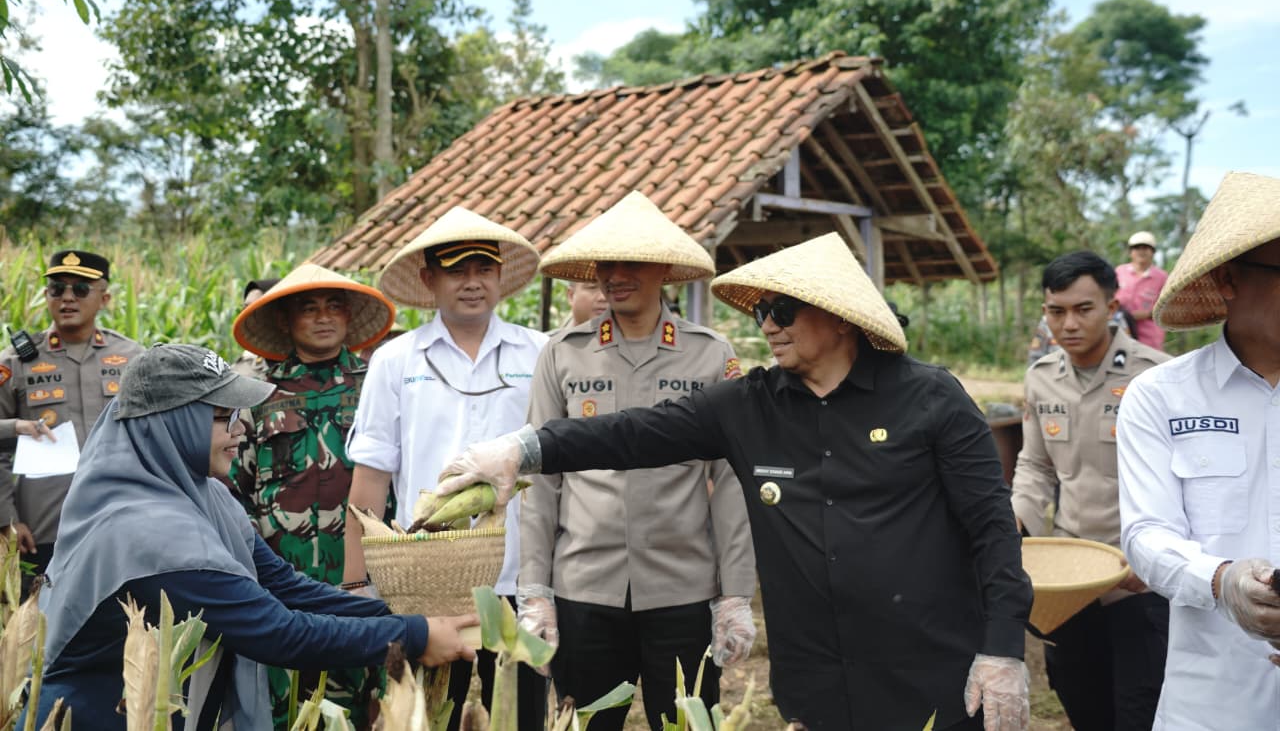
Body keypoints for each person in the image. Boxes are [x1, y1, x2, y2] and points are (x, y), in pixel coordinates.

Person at [437, 232, 1033, 731]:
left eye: (782, 310)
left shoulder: (931, 400)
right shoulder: (750, 405)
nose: (766, 324)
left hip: (928, 673)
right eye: (760, 311)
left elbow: (992, 531)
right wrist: (523, 448)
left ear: (841, 316)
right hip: (819, 683)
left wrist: (1003, 649)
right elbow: (631, 433)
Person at [25, 343, 476, 729]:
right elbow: (279, 632)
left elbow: (284, 587)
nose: (243, 429)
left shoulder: (203, 497)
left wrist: (401, 611)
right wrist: (411, 636)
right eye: (226, 417)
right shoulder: (145, 530)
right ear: (173, 423)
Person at [520, 191, 757, 729]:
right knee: (585, 724)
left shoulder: (709, 354)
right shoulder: (564, 352)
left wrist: (736, 592)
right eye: (607, 264)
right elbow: (539, 479)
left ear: (664, 269)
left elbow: (732, 481)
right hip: (584, 584)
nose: (615, 275)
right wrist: (536, 588)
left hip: (683, 587)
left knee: (688, 723)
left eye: (633, 262)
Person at [343, 207, 548, 730]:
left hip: (522, 577)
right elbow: (371, 478)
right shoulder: (396, 360)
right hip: (424, 581)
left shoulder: (540, 352)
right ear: (429, 279)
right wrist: (357, 587)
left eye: (484, 270)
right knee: (426, 716)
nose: (473, 283)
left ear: (500, 276)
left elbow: (561, 466)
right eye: (457, 271)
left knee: (522, 713)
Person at [1116, 171, 1280, 731]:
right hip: (1214, 704)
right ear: (1229, 278)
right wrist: (1224, 580)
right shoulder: (1161, 396)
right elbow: (1146, 534)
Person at [229, 263, 396, 730]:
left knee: (367, 705)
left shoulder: (377, 385)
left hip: (364, 583)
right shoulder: (255, 396)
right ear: (286, 321)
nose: (324, 318)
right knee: (287, 709)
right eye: (309, 309)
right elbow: (234, 491)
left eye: (334, 307)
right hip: (282, 588)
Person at [1011, 251, 1170, 731]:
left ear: (1112, 305)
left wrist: (1162, 559)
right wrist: (1013, 523)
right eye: (1055, 311)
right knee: (1083, 706)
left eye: (1084, 309)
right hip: (1069, 584)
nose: (1068, 324)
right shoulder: (1042, 379)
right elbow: (1035, 466)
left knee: (1140, 712)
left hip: (1138, 582)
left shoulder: (1156, 377)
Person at [0, 250, 142, 591]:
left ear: (104, 298)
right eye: (57, 289)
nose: (67, 297)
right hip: (43, 528)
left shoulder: (134, 358)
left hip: (120, 521)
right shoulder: (16, 362)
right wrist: (7, 521)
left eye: (80, 289)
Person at [1114, 231, 1168, 352]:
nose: (1141, 251)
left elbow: (1168, 306)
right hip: (1121, 331)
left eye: (1146, 248)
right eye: (1137, 248)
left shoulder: (1162, 277)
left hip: (1149, 336)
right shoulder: (1120, 272)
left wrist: (1148, 314)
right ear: (1130, 252)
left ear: (1153, 252)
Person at [232, 279, 280, 381]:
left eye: (257, 308)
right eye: (246, 309)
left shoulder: (312, 359)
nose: (249, 316)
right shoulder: (242, 369)